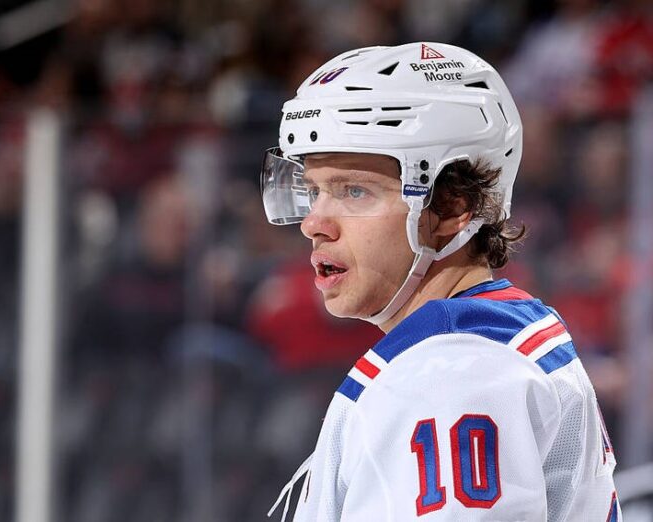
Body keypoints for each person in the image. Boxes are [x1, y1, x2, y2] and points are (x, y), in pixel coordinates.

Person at [260, 43, 621, 521]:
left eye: (353, 190)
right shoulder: (486, 338)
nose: (314, 224)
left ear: (451, 207)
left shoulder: (450, 374)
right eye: (313, 191)